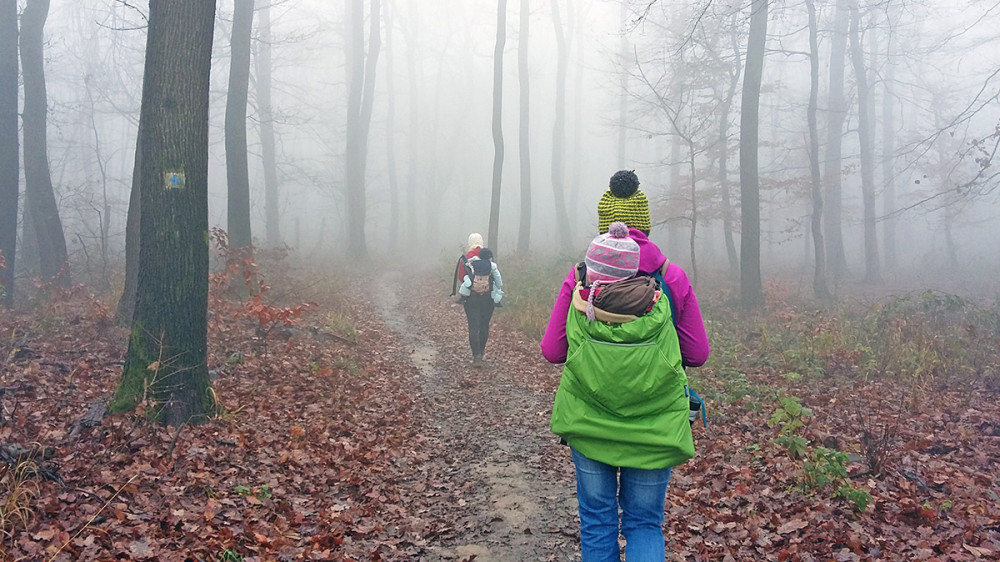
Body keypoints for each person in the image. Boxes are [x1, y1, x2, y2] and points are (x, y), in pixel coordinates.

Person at [541, 171, 709, 562]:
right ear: (646, 223)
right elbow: (697, 353)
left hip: (589, 421)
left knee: (598, 521)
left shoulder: (580, 278)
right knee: (644, 523)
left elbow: (553, 350)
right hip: (656, 423)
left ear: (605, 227)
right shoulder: (671, 277)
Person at [458, 247, 503, 368]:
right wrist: (498, 288)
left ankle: (476, 355)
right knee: (484, 326)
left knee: (473, 327)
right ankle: (481, 352)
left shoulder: (471, 263)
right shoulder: (492, 266)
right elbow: (499, 282)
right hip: (487, 300)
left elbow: (463, 277)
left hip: (472, 299)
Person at [450, 233, 484, 297]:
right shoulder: (487, 255)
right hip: (487, 294)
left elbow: (461, 276)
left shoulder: (467, 257)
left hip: (471, 294)